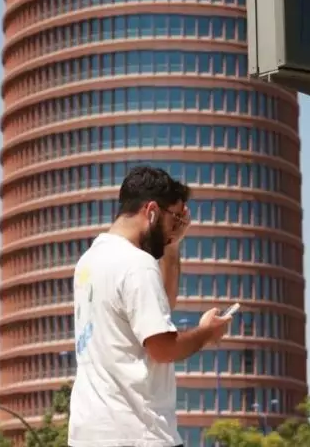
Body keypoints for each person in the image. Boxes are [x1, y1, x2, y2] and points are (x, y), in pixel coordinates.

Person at [67, 166, 231, 447]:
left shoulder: (89, 261)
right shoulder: (136, 264)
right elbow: (162, 347)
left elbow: (157, 312)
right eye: (175, 218)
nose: (175, 227)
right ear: (152, 211)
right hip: (138, 434)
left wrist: (172, 246)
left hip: (89, 434)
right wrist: (207, 333)